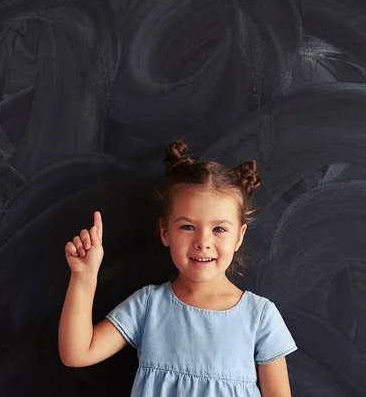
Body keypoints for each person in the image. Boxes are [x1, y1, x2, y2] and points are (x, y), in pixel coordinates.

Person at [58, 139, 297, 396]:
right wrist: (84, 277)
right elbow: (77, 353)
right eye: (187, 227)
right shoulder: (149, 305)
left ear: (238, 237)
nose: (203, 242)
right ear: (165, 232)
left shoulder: (260, 317)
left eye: (219, 229)